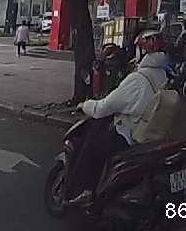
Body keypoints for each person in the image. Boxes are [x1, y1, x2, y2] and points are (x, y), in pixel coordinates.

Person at [66, 44, 171, 205]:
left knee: (92, 147)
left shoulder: (137, 80)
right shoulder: (163, 75)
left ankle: (87, 191)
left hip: (129, 133)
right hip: (152, 135)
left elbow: (103, 107)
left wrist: (84, 105)